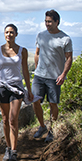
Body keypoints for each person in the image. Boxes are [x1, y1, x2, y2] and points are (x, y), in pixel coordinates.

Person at [0, 24, 33, 161]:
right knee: (5, 120)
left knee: (13, 119)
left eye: (11, 32)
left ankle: (14, 151)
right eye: (6, 32)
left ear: (16, 34)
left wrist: (28, 89)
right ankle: (8, 148)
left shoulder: (22, 51)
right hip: (2, 87)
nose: (9, 35)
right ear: (4, 34)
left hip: (17, 88)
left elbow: (25, 71)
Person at [32, 10, 73, 143]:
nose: (47, 24)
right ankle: (42, 126)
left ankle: (52, 130)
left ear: (57, 22)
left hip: (54, 77)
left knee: (53, 103)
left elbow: (69, 58)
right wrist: (37, 66)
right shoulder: (41, 35)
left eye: (50, 21)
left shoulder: (65, 39)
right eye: (46, 21)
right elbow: (37, 53)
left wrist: (63, 74)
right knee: (35, 100)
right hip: (39, 75)